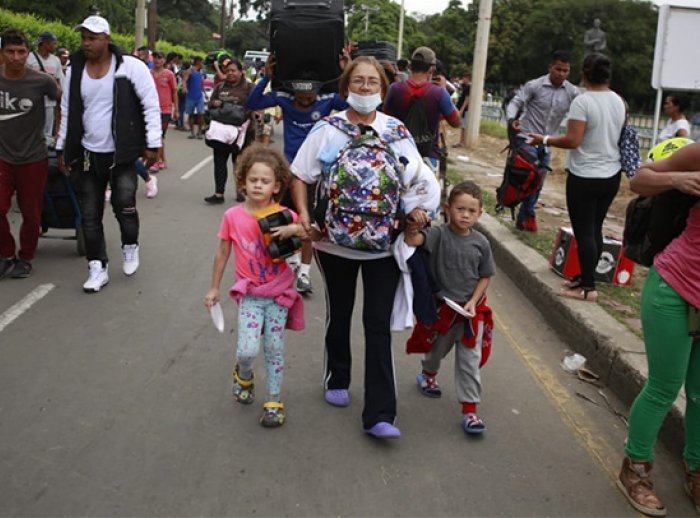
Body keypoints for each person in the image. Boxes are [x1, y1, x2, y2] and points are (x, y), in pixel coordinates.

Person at [290, 56, 440, 438]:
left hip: (383, 246)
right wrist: (305, 216)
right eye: (357, 82)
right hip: (333, 243)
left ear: (383, 90)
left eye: (372, 83)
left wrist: (419, 213)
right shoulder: (328, 129)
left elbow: (417, 181)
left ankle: (380, 414)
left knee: (377, 323)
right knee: (339, 312)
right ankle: (337, 376)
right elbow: (299, 175)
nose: (365, 88)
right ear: (345, 89)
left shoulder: (397, 131)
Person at [614, 142, 700, 516]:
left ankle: (695, 468)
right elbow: (640, 180)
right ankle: (635, 468)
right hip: (674, 286)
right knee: (665, 386)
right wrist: (678, 179)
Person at [56, 15, 161, 293]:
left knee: (124, 204)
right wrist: (63, 148)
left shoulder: (130, 67)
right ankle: (97, 267)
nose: (86, 43)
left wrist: (153, 143)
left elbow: (151, 105)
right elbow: (67, 111)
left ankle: (130, 245)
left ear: (107, 39)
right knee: (90, 214)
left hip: (122, 153)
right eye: (83, 38)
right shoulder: (73, 70)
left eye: (92, 38)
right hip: (89, 153)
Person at [204, 144, 306, 428]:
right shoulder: (232, 217)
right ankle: (244, 374)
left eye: (265, 181)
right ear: (242, 183)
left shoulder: (285, 214)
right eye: (253, 180)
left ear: (277, 186)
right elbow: (222, 253)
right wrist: (213, 288)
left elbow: (312, 235)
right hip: (250, 294)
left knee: (274, 348)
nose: (258, 185)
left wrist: (294, 229)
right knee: (247, 350)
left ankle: (273, 400)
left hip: (278, 294)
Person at [246, 53, 349, 295]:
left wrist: (346, 73)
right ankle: (286, 263)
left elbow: (352, 104)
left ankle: (303, 273)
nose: (306, 98)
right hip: (287, 171)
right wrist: (266, 77)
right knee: (276, 219)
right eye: (301, 94)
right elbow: (252, 103)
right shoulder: (283, 98)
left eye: (310, 95)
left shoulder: (328, 99)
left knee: (308, 224)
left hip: (313, 174)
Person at [529, 53, 624, 302]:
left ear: (584, 74)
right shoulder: (619, 101)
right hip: (611, 175)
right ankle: (585, 276)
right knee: (596, 228)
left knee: (584, 232)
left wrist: (545, 139)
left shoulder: (583, 102)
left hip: (585, 176)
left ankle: (588, 288)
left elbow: (573, 140)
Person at [403, 181, 495, 434]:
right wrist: (413, 223)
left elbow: (485, 275)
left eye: (471, 211)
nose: (465, 215)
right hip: (443, 312)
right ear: (447, 208)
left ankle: (470, 411)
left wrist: (474, 301)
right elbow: (413, 241)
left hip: (469, 315)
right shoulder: (438, 235)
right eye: (460, 209)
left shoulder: (481, 243)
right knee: (435, 351)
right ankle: (427, 373)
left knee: (469, 362)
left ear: (480, 213)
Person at [0, 29, 59, 279]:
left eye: (21, 52)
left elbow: (63, 103)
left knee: (31, 213)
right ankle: (6, 254)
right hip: (2, 157)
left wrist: (59, 134)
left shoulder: (42, 81)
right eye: (10, 52)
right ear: (1, 53)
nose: (16, 57)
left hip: (34, 158)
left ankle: (26, 257)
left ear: (27, 53)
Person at [506, 50, 579, 232]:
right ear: (550, 68)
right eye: (558, 69)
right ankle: (516, 205)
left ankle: (525, 215)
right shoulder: (535, 85)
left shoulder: (572, 92)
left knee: (538, 180)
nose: (561, 74)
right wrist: (511, 119)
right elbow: (516, 102)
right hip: (527, 138)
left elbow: (581, 111)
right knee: (528, 174)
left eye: (565, 71)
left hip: (547, 142)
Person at [383, 46, 460, 166]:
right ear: (432, 69)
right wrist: (444, 90)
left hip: (399, 155)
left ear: (410, 66)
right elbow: (456, 122)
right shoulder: (439, 93)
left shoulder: (395, 89)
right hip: (428, 157)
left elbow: (385, 117)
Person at [204, 59, 253, 205]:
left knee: (239, 162)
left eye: (233, 70)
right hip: (221, 131)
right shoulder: (220, 87)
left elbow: (257, 104)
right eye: (228, 71)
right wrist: (215, 103)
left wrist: (256, 114)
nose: (230, 73)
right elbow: (210, 104)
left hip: (242, 132)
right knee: (219, 162)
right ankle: (219, 193)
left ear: (240, 72)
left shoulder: (249, 87)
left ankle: (240, 190)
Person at [26, 31, 64, 147]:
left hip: (49, 102)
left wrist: (60, 96)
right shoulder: (29, 58)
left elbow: (59, 80)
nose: (55, 46)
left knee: (47, 129)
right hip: (32, 100)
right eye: (53, 43)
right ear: (45, 44)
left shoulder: (55, 60)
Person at [149, 50, 178, 172]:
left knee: (159, 136)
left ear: (164, 60)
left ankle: (156, 161)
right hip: (151, 109)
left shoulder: (169, 74)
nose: (157, 60)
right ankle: (162, 160)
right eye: (155, 58)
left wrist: (176, 109)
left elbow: (174, 91)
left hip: (165, 110)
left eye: (160, 58)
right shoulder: (148, 73)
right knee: (157, 136)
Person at [181, 56, 205, 139]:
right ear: (198, 62)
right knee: (190, 114)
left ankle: (199, 132)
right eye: (202, 62)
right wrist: (184, 88)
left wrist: (205, 93)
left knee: (200, 114)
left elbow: (201, 83)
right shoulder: (189, 71)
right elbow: (184, 80)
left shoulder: (201, 72)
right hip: (190, 96)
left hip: (199, 96)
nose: (202, 64)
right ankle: (192, 133)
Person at [454, 73, 471, 148]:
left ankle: (462, 142)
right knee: (462, 126)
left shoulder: (468, 87)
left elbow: (467, 99)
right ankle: (462, 141)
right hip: (463, 108)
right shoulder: (464, 87)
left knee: (463, 126)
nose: (463, 79)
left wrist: (462, 109)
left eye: (464, 78)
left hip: (465, 110)